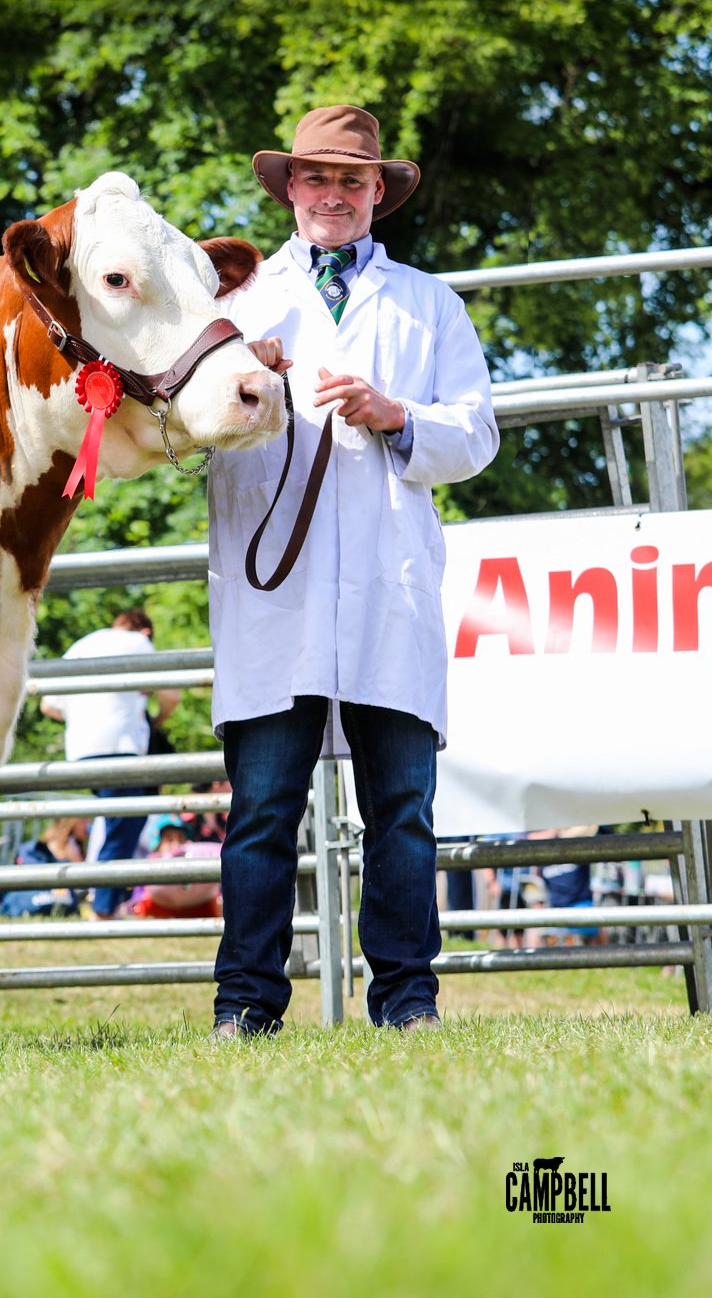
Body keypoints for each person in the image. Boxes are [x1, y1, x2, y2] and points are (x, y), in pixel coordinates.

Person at [207, 105, 499, 1036]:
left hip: (387, 585)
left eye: (351, 181)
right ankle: (245, 1005)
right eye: (316, 178)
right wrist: (238, 388)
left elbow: (477, 433)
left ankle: (408, 1002)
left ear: (380, 192)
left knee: (402, 813)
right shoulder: (236, 306)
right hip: (274, 590)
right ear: (289, 188)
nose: (333, 195)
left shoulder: (430, 303)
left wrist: (395, 413)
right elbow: (175, 430)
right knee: (260, 812)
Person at [40, 609, 181, 918]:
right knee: (125, 824)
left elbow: (47, 704)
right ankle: (104, 906)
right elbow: (171, 694)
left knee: (123, 821)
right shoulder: (138, 643)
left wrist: (84, 715)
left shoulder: (81, 645)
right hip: (120, 746)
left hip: (79, 749)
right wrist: (157, 719)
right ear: (144, 632)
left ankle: (106, 901)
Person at [122, 815, 222, 920]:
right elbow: (138, 894)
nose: (176, 844)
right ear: (157, 844)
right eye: (169, 840)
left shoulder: (195, 860)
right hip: (158, 908)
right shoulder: (150, 864)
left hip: (200, 906)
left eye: (180, 839)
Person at [0, 818, 87, 919]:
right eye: (83, 821)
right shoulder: (66, 847)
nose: (87, 825)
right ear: (72, 824)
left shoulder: (73, 845)